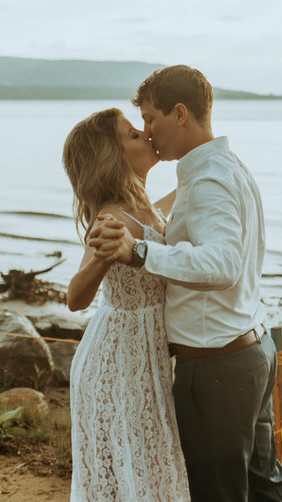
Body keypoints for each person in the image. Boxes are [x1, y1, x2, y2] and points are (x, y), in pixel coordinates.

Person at [88, 65, 282, 502]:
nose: (148, 132)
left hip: (217, 369)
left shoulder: (207, 180)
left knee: (219, 494)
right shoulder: (226, 167)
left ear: (180, 114)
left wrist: (139, 251)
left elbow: (223, 265)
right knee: (266, 486)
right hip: (250, 351)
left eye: (150, 118)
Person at [62, 107, 189, 501]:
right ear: (113, 157)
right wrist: (101, 259)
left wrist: (197, 178)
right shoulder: (110, 217)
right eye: (133, 134)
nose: (145, 134)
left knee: (150, 469)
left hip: (145, 356)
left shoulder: (144, 205)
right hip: (117, 362)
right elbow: (74, 298)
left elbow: (158, 217)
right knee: (132, 475)